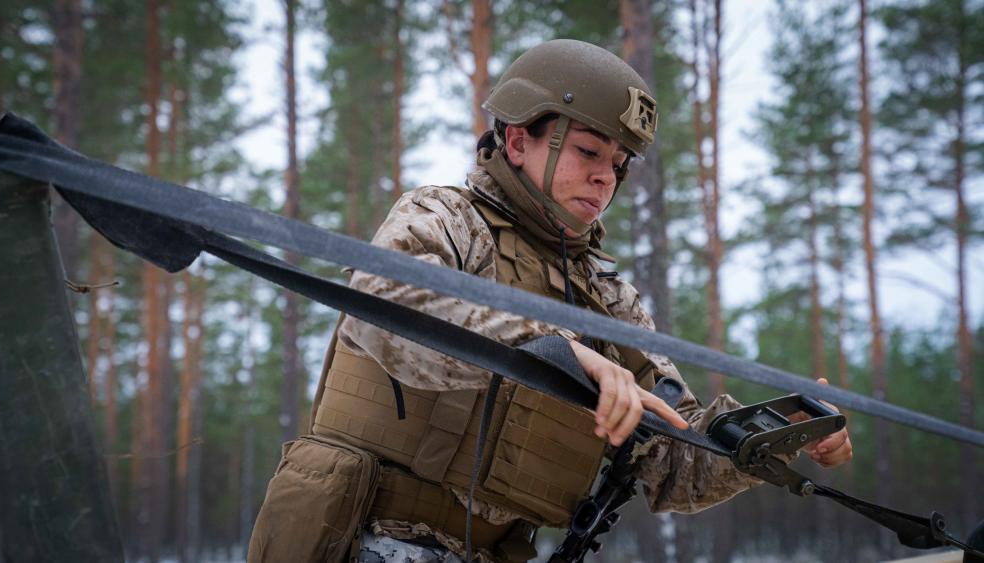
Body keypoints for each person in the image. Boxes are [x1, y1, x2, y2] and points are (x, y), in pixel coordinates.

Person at [247, 38, 852, 563]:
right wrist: (554, 349)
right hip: (368, 538)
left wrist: (774, 433)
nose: (606, 178)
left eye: (618, 164)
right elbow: (387, 309)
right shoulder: (447, 217)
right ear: (517, 141)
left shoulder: (607, 298)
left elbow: (672, 459)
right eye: (590, 152)